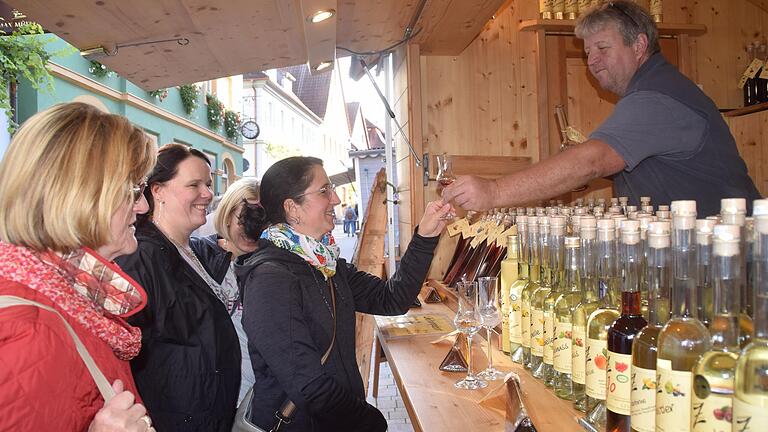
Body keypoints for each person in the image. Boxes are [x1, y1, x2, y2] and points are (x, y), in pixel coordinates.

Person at [442, 0, 760, 217]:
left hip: (730, 268)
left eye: (602, 48)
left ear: (638, 45)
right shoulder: (654, 90)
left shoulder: (656, 97)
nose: (592, 60)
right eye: (588, 51)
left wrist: (494, 192)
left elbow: (593, 161)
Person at [235, 156, 452, 431]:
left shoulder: (325, 264)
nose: (336, 199)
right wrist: (371, 422)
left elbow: (393, 298)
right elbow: (310, 386)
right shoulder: (269, 280)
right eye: (324, 191)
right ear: (292, 208)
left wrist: (426, 236)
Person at [0, 102, 156, 431]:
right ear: (84, 196)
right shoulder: (23, 330)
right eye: (135, 190)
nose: (142, 206)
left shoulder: (69, 295)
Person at [115, 144, 240, 431]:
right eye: (194, 185)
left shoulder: (195, 250)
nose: (207, 194)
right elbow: (126, 355)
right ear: (157, 191)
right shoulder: (141, 256)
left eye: (208, 184)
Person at [191, 177, 260, 406]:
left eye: (262, 216)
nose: (254, 225)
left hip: (264, 398)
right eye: (246, 215)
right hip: (217, 396)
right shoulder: (199, 255)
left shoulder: (274, 266)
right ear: (228, 215)